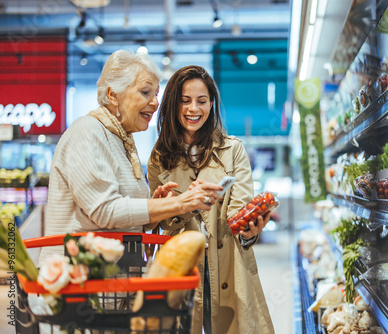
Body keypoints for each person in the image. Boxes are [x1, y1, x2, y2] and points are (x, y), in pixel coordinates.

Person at [39, 51, 222, 264]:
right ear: (114, 95)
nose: (155, 103)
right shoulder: (88, 131)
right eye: (145, 92)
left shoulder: (121, 139)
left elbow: (126, 220)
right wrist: (181, 203)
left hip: (114, 280)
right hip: (78, 281)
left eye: (156, 94)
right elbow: (105, 211)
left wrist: (156, 206)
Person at [147, 65, 274, 334]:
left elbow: (239, 213)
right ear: (172, 105)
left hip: (229, 266)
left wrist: (250, 231)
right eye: (185, 101)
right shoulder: (159, 158)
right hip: (183, 268)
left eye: (202, 101)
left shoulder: (233, 150)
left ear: (211, 104)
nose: (194, 109)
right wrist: (167, 207)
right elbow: (166, 227)